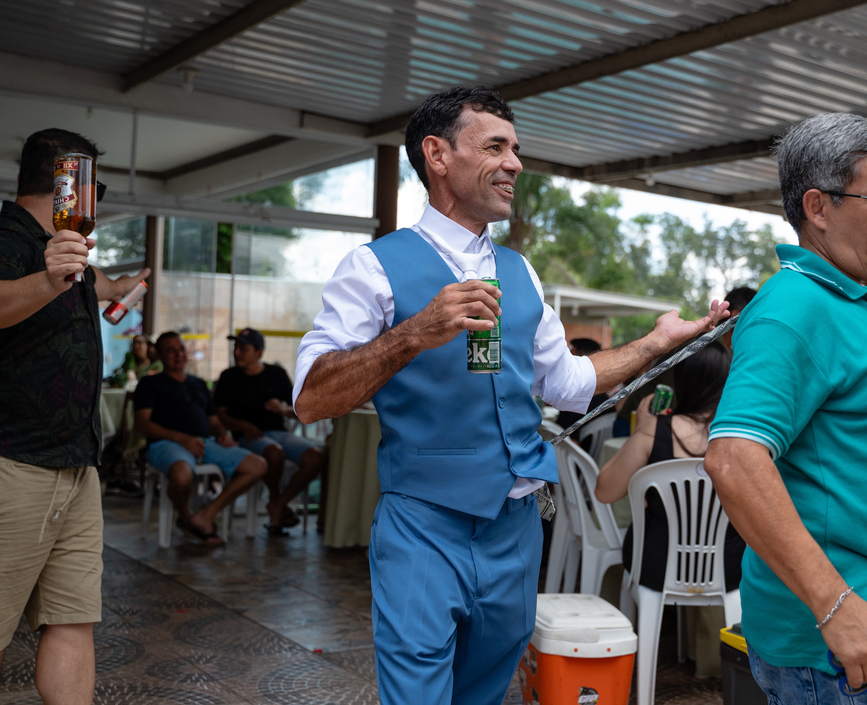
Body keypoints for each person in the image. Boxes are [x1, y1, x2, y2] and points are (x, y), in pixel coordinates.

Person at [292, 85, 727, 705]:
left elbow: (571, 384)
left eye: (516, 148)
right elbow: (310, 399)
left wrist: (654, 343)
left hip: (518, 527)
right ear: (437, 155)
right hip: (424, 525)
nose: (516, 163)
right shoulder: (373, 268)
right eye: (496, 146)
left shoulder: (520, 272)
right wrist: (413, 334)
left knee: (486, 691)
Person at [703, 112, 867, 702]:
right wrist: (836, 607)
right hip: (836, 640)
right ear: (818, 208)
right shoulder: (794, 308)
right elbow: (732, 458)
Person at [0, 128, 149, 705]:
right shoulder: (1, 238)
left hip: (72, 465)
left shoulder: (65, 249)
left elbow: (97, 284)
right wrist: (51, 276)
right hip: (2, 460)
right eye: (93, 185)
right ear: (68, 183)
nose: (96, 200)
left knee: (72, 619)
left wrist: (125, 286)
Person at [595, 341, 745, 593]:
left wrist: (642, 429)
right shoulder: (741, 436)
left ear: (682, 380)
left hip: (657, 564)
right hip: (725, 567)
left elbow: (604, 492)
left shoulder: (656, 431)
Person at [134, 331, 266, 545]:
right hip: (166, 444)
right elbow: (141, 424)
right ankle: (187, 517)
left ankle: (206, 515)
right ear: (158, 355)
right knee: (181, 476)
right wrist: (181, 438)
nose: (178, 355)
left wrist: (223, 436)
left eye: (181, 349)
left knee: (257, 466)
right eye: (170, 350)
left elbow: (214, 422)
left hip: (206, 443)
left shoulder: (198, 384)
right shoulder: (150, 384)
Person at [214, 328, 325, 536]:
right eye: (235, 348)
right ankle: (277, 502)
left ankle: (278, 503)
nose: (236, 353)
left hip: (279, 432)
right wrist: (241, 426)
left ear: (259, 352)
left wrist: (283, 409)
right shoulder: (228, 377)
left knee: (316, 457)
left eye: (243, 348)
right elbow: (220, 415)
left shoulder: (276, 374)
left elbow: (302, 409)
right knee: (274, 452)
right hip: (248, 438)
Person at [555, 337, 609, 431]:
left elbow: (568, 437)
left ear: (582, 360)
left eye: (570, 355)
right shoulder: (603, 395)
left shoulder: (575, 396)